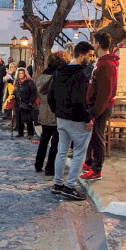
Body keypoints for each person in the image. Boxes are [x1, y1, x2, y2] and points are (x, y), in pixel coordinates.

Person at [48, 41, 95, 200]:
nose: (91, 59)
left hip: (61, 118)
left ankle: (57, 184)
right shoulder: (80, 74)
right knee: (79, 152)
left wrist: (57, 111)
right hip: (75, 119)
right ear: (81, 55)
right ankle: (69, 187)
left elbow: (50, 96)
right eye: (90, 55)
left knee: (62, 151)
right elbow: (79, 100)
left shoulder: (59, 71)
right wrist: (88, 119)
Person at [82, 32, 119, 181]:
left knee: (98, 137)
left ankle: (97, 170)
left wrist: (94, 113)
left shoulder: (107, 64)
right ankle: (90, 162)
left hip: (101, 107)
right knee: (93, 137)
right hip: (96, 105)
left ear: (98, 44)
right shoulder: (102, 62)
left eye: (94, 42)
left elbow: (104, 93)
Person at [35, 51, 67, 177]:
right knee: (55, 142)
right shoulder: (59, 76)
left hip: (44, 112)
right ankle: (49, 168)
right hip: (56, 112)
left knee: (44, 139)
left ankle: (38, 164)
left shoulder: (42, 77)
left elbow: (37, 91)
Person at [12, 67, 37, 138]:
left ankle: (30, 134)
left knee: (28, 119)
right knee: (19, 118)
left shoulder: (29, 82)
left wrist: (31, 102)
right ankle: (20, 133)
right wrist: (13, 95)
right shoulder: (17, 82)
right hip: (18, 103)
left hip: (27, 103)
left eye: (22, 73)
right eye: (19, 73)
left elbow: (34, 92)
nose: (20, 75)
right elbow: (16, 91)